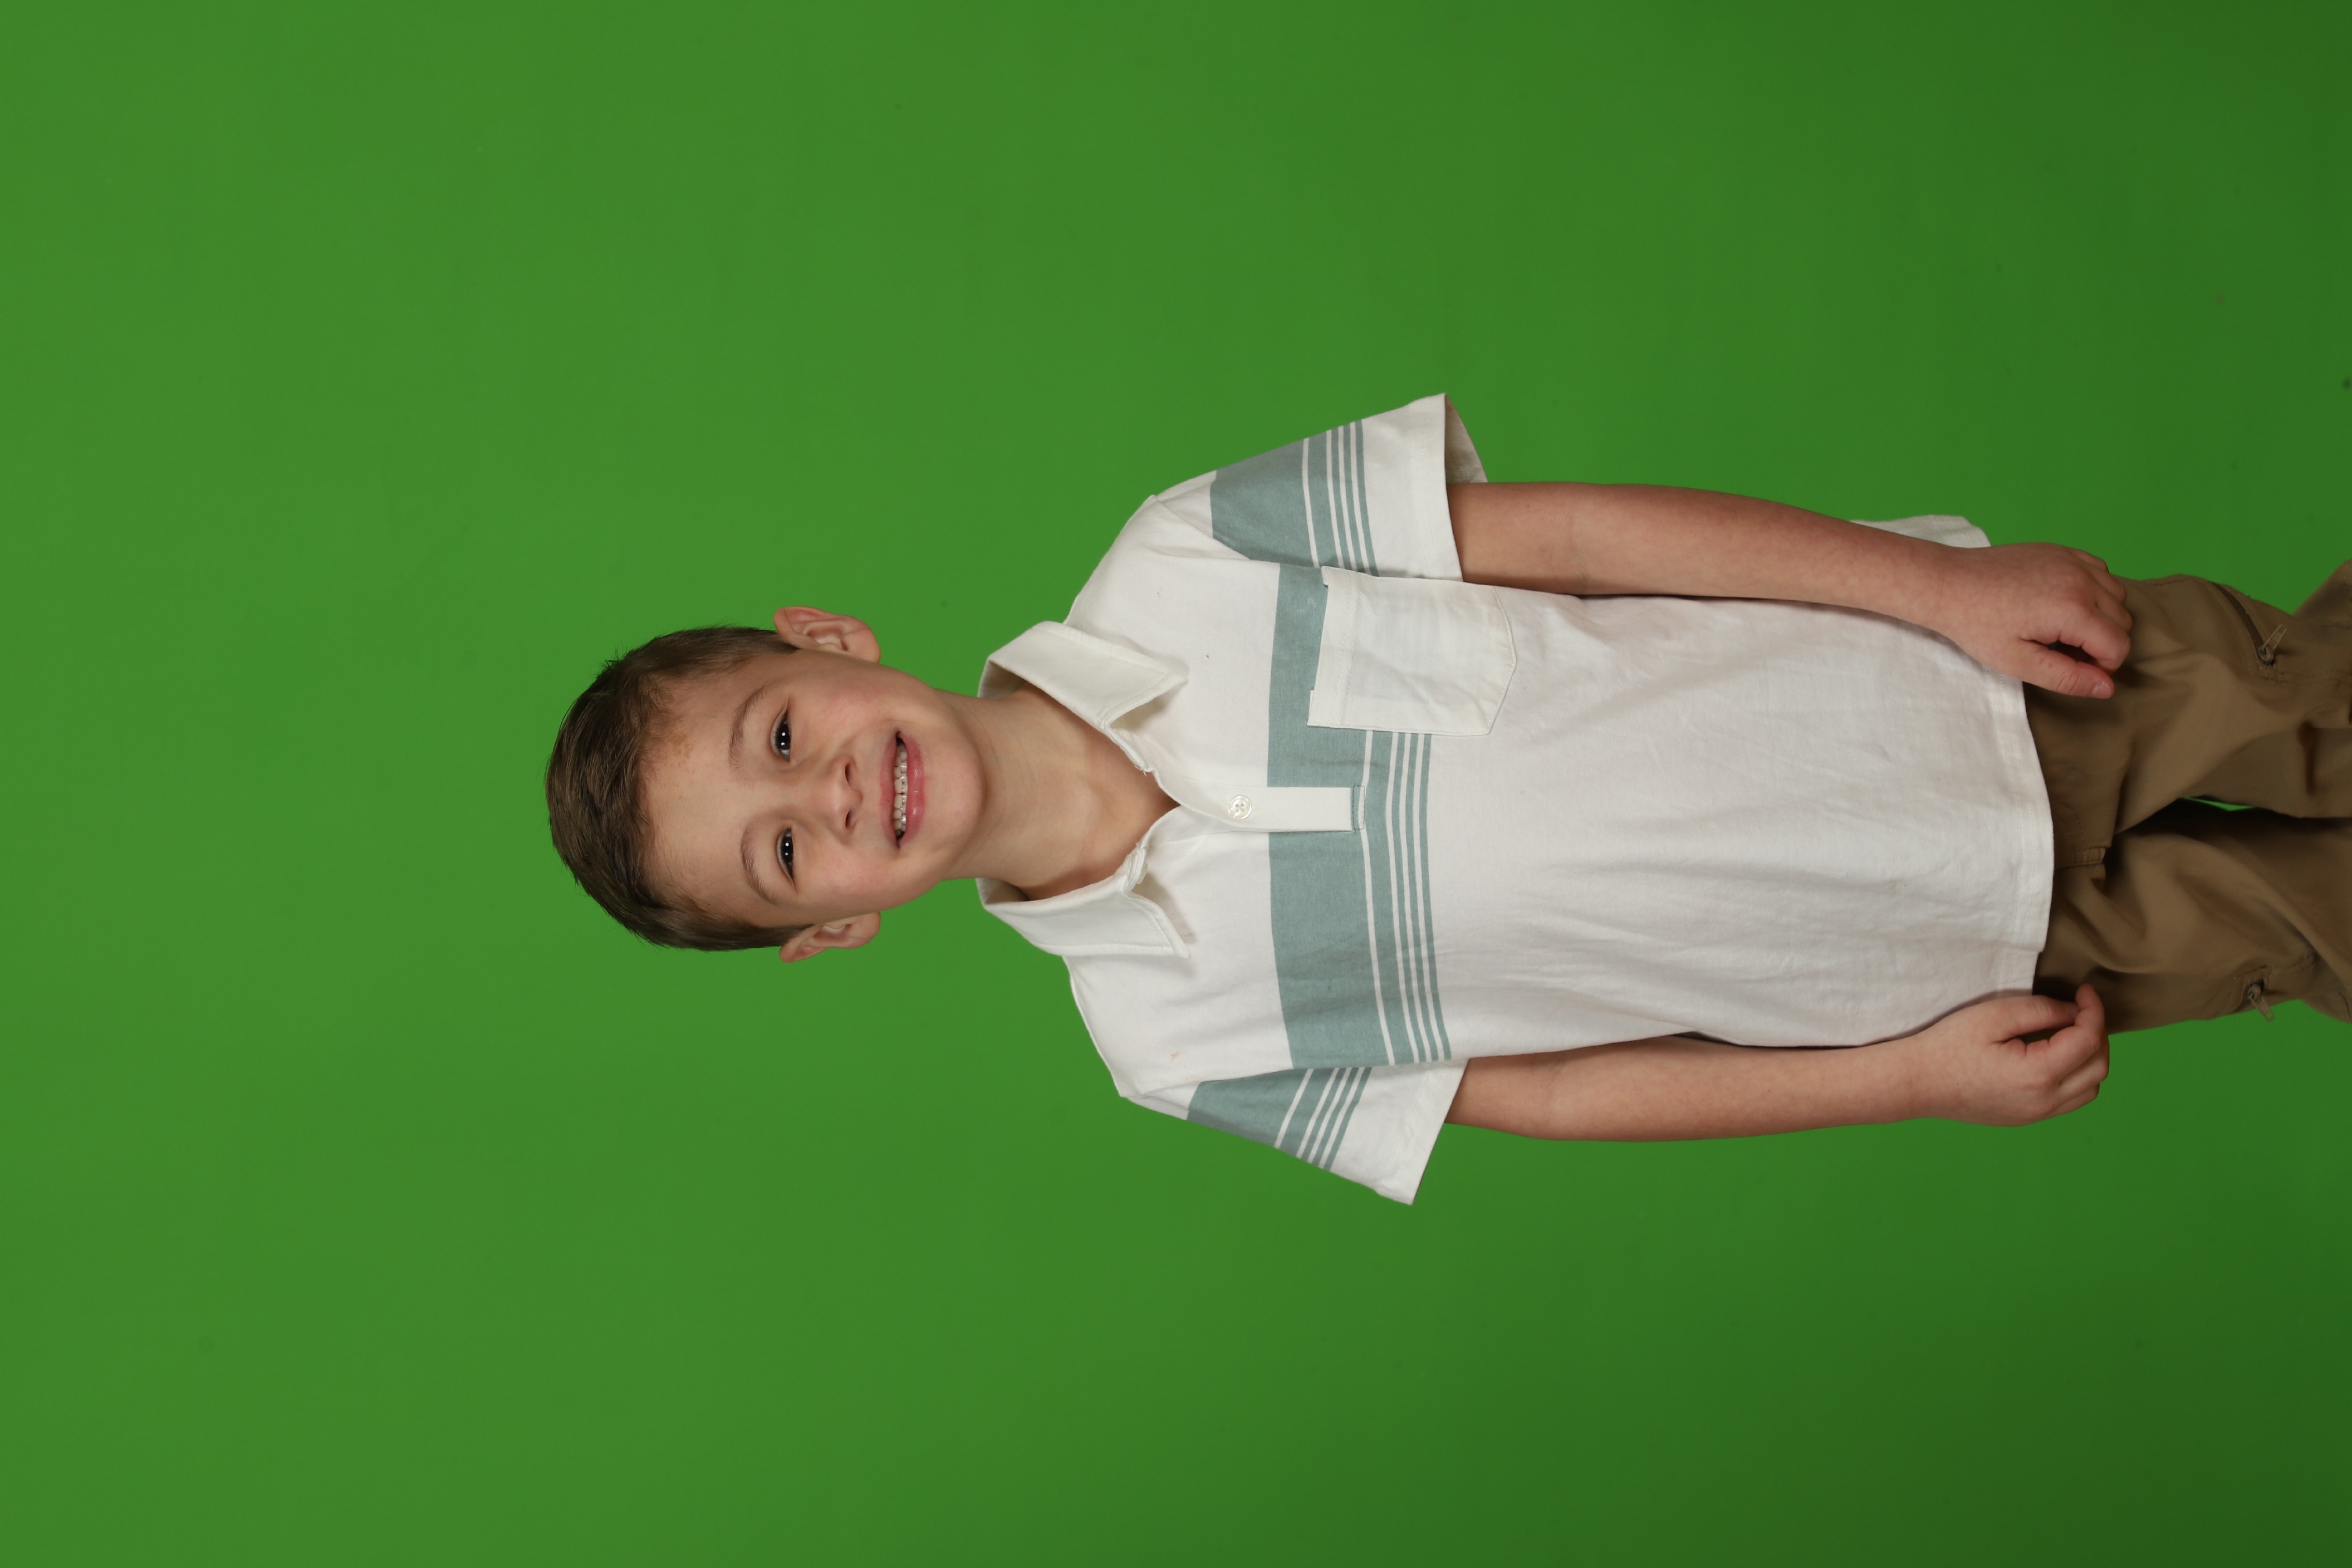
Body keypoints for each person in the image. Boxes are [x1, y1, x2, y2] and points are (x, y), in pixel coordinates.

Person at [546, 397, 2351, 1202]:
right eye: (784, 852)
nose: (832, 793)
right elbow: (1547, 1096)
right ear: (835, 928)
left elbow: (1582, 538)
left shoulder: (1185, 552)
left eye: (780, 732)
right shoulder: (1168, 1038)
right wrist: (1900, 1080)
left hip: (1964, 690)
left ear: (828, 640)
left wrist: (1937, 589)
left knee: (2323, 710)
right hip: (1944, 954)